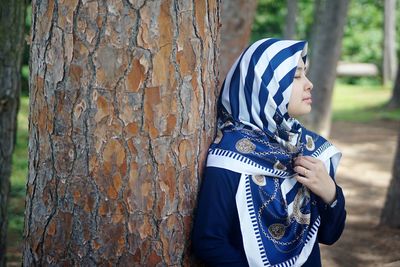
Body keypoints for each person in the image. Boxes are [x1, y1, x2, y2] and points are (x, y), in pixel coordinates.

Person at [192, 38, 346, 267]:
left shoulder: (308, 148)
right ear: (265, 86)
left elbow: (329, 235)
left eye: (305, 74)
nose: (309, 84)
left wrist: (330, 193)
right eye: (296, 76)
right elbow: (209, 242)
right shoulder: (230, 157)